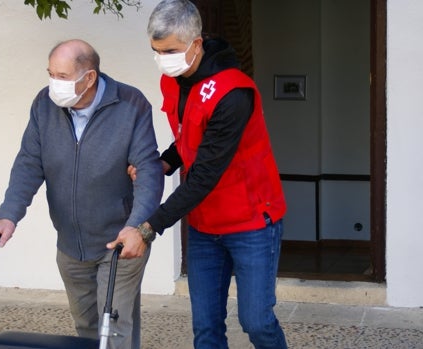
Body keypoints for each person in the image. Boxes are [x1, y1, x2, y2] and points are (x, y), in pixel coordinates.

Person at [107, 1, 288, 348]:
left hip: (251, 222)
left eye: (170, 50)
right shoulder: (172, 80)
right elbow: (188, 137)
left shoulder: (234, 93)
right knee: (205, 329)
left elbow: (205, 174)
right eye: (156, 51)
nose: (163, 59)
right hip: (205, 225)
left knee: (257, 322)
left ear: (197, 43)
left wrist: (146, 230)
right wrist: (165, 162)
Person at [0, 39, 164, 349]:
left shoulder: (130, 104)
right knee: (86, 327)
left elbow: (148, 170)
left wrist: (136, 227)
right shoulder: (44, 104)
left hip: (118, 241)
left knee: (115, 326)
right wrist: (8, 216)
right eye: (51, 74)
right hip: (70, 244)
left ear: (90, 77)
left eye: (63, 76)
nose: (55, 84)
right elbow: (29, 163)